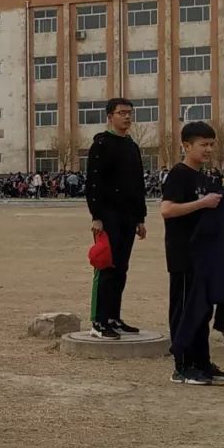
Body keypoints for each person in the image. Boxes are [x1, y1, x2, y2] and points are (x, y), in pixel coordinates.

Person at [160, 122, 224, 385]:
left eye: (212, 144)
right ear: (186, 146)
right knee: (185, 309)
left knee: (202, 310)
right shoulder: (179, 174)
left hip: (203, 255)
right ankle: (182, 366)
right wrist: (202, 203)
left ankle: (201, 362)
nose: (209, 149)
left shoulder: (204, 177)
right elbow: (167, 210)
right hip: (183, 255)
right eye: (203, 144)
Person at [86, 98, 147, 340]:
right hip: (108, 214)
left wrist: (140, 217)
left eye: (130, 113)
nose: (127, 117)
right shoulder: (101, 144)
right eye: (122, 113)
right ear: (110, 116)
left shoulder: (132, 146)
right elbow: (93, 182)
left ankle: (113, 317)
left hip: (128, 216)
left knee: (122, 268)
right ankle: (98, 322)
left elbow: (138, 184)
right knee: (107, 267)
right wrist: (97, 216)